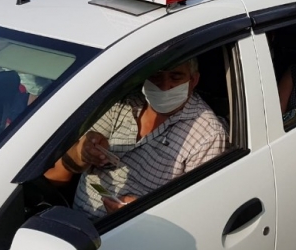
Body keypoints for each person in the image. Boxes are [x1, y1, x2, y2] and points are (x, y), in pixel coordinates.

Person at [44, 57, 228, 220]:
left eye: (176, 77)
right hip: (72, 221)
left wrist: (142, 214)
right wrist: (83, 151)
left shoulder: (207, 135)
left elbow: (196, 214)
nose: (165, 86)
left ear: (193, 80)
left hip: (131, 235)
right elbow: (67, 165)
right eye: (156, 76)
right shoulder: (124, 102)